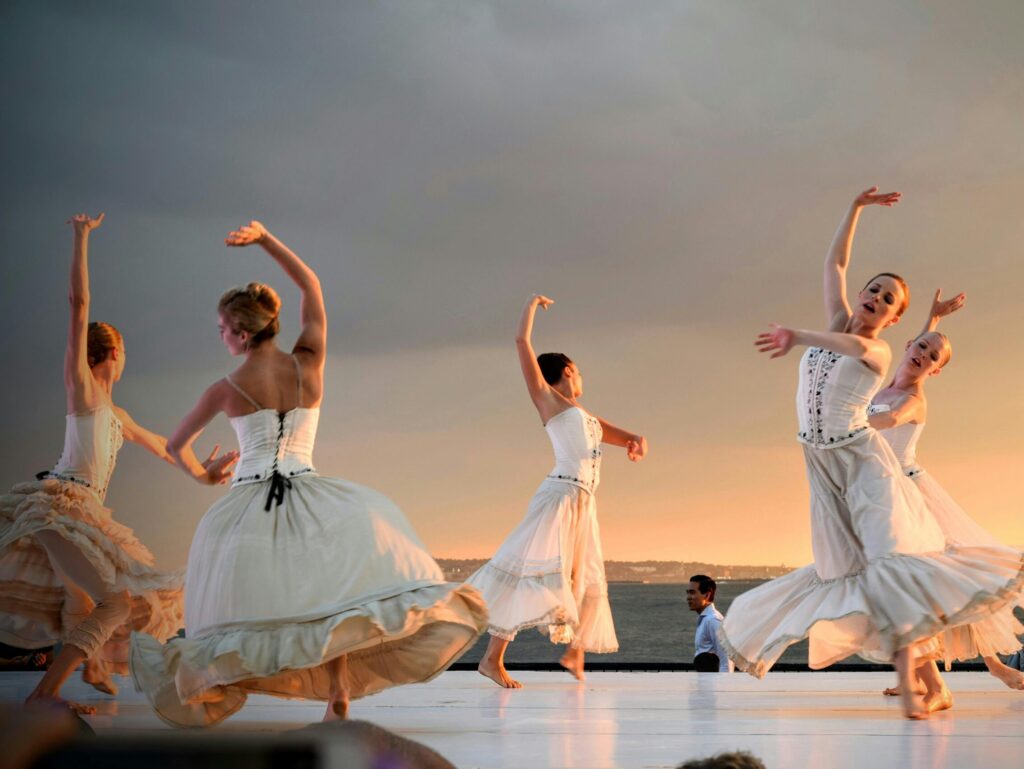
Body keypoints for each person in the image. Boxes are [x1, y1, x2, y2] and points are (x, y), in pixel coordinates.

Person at [130, 220, 488, 726]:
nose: (221, 336)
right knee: (329, 601)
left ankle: (222, 682)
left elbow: (174, 446)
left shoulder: (224, 388)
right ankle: (337, 690)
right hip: (312, 492)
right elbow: (311, 285)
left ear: (242, 333)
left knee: (255, 606)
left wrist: (205, 476)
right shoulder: (309, 362)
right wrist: (265, 239)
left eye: (222, 329)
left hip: (250, 502)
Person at [719, 187, 1024, 719]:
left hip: (869, 469)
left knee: (894, 572)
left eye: (888, 301)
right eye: (874, 291)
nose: (877, 300)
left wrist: (798, 335)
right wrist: (854, 209)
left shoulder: (879, 355)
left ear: (894, 321)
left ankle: (932, 683)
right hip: (823, 469)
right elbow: (834, 265)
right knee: (846, 573)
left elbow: (864, 353)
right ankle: (927, 677)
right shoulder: (849, 331)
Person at [0, 214, 196, 713]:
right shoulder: (83, 389)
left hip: (83, 513)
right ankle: (46, 695)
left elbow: (164, 446)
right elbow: (78, 304)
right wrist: (81, 236)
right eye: (125, 350)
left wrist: (205, 471)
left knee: (85, 602)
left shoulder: (117, 414)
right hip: (59, 507)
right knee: (114, 602)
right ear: (114, 352)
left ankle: (86, 672)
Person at [466, 294, 648, 688]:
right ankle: (491, 659)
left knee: (583, 574)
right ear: (567, 371)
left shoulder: (581, 414)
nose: (582, 377)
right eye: (578, 371)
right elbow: (521, 342)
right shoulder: (547, 400)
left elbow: (612, 432)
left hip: (583, 502)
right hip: (560, 496)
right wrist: (531, 305)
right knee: (527, 572)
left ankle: (573, 652)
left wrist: (635, 439)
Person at [869, 290, 1024, 701]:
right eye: (920, 347)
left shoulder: (912, 401)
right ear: (909, 344)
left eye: (933, 357)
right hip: (883, 496)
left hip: (912, 498)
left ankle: (994, 665)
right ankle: (920, 674)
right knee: (908, 588)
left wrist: (841, 421)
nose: (923, 355)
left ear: (936, 371)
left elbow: (888, 420)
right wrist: (933, 321)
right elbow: (915, 354)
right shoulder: (889, 382)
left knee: (945, 583)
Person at [687, 575, 732, 672]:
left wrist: (725, 681)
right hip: (706, 680)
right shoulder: (706, 619)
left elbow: (726, 661)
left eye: (692, 593)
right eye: (688, 593)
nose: (688, 597)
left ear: (707, 595)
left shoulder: (713, 621)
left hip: (713, 681)